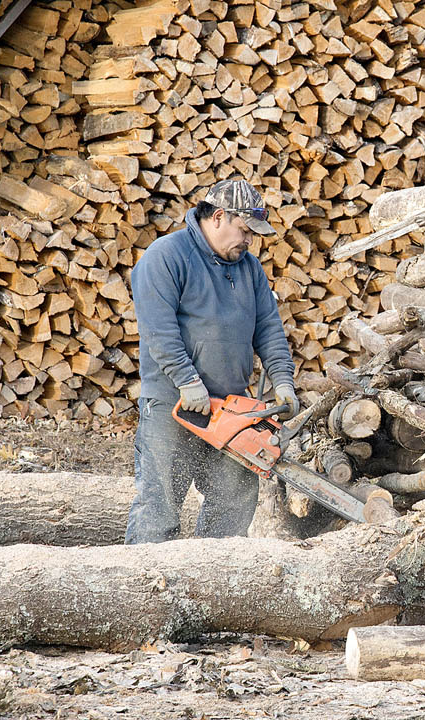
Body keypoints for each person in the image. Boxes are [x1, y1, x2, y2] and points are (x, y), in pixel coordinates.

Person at [125, 178, 298, 543]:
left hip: (232, 408)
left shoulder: (249, 268)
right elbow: (159, 329)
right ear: (218, 217)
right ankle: (139, 590)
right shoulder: (166, 256)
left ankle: (217, 587)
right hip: (175, 404)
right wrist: (187, 382)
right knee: (159, 509)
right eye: (245, 230)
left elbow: (268, 328)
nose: (250, 240)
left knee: (233, 504)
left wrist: (282, 381)